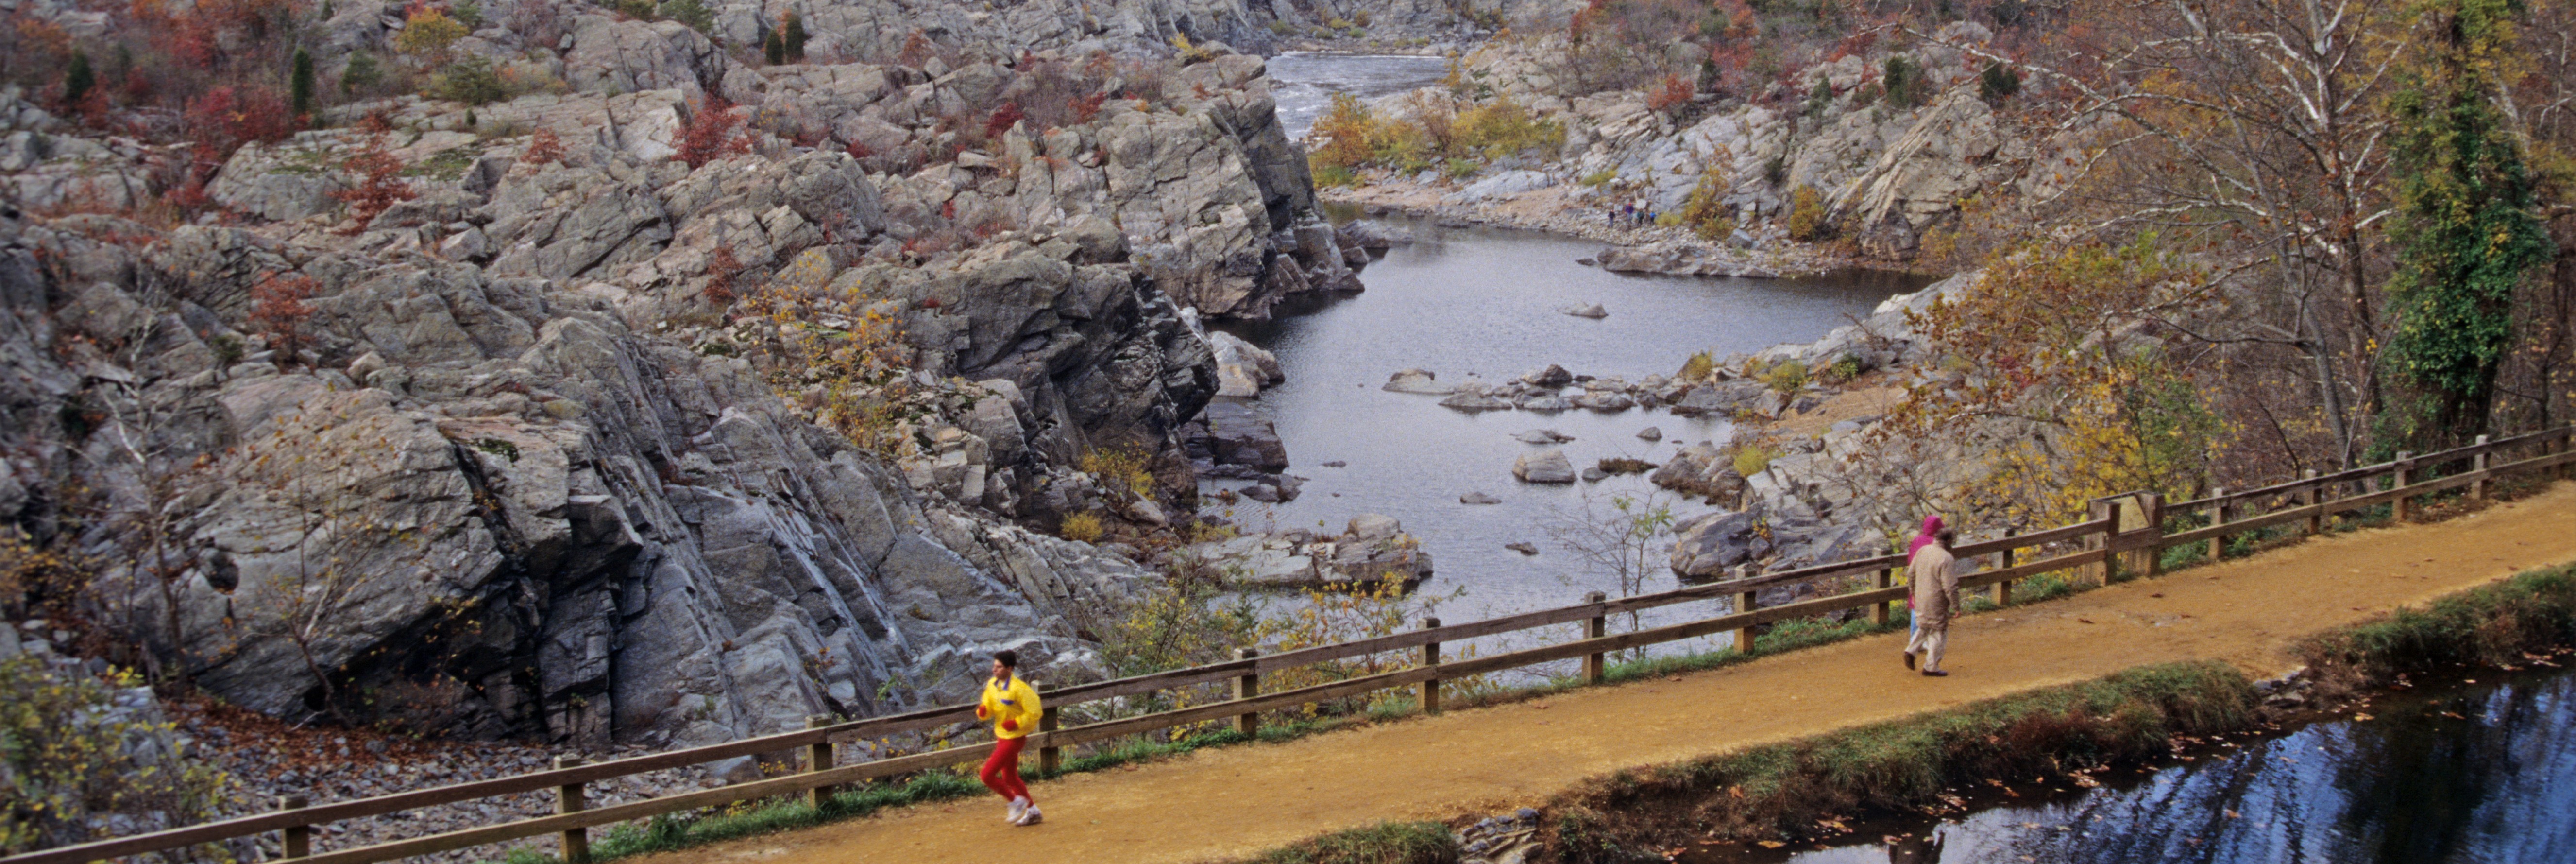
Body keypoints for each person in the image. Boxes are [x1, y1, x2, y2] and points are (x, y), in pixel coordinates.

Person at [977, 650, 1044, 825]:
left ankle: (1015, 801)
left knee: (986, 775)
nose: (994, 670)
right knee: (1010, 778)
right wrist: (983, 712)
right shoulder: (992, 685)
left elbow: (1035, 712)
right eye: (994, 666)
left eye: (999, 667)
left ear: (1010, 668)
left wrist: (1017, 723)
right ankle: (1033, 811)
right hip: (1002, 735)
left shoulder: (1020, 689)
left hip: (1014, 738)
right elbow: (988, 706)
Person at [1903, 529, 1962, 676]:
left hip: (1921, 597)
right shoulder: (1947, 558)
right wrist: (1956, 606)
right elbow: (1950, 587)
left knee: (1924, 625)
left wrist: (1914, 593)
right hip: (1937, 600)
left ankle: (1911, 650)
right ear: (1949, 542)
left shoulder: (1923, 550)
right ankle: (1931, 666)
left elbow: (1911, 573)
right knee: (1938, 631)